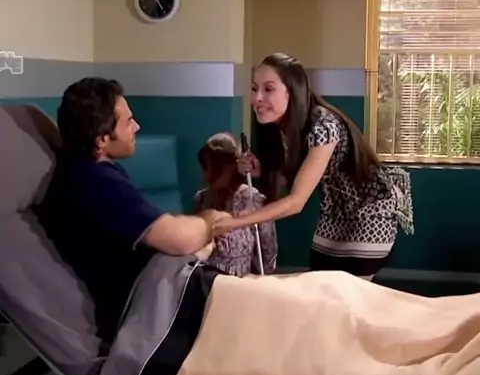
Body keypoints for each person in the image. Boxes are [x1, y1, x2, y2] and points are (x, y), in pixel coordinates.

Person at [36, 77, 230, 342]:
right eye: (128, 122)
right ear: (102, 139)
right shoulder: (96, 182)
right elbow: (180, 239)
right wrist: (211, 219)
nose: (137, 126)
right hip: (148, 310)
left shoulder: (81, 172)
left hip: (159, 288)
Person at [212, 53, 413, 281]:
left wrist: (235, 222)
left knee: (346, 295)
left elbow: (296, 202)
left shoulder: (324, 125)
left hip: (372, 213)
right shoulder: (284, 126)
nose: (257, 98)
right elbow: (291, 181)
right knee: (321, 287)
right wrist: (263, 171)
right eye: (254, 88)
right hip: (335, 213)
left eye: (268, 89)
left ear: (292, 91)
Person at [194, 132, 277, 277]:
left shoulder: (253, 201)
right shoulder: (201, 199)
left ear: (232, 167)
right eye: (205, 167)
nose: (207, 175)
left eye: (215, 168)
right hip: (207, 282)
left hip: (241, 283)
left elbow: (267, 255)